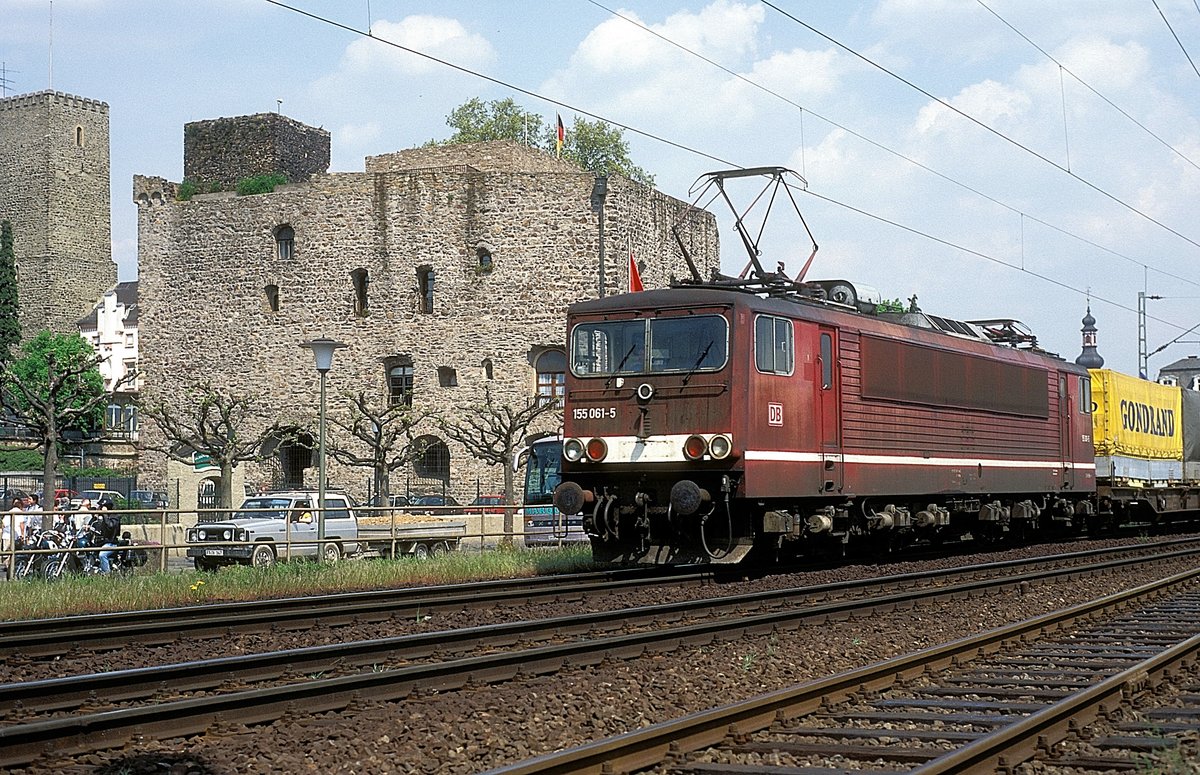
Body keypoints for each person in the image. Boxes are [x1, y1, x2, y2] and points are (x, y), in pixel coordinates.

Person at [93, 500, 122, 574]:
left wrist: (105, 514)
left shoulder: (115, 517)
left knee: (102, 555)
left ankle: (106, 574)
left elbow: (110, 526)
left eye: (101, 506)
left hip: (111, 543)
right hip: (100, 542)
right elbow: (92, 524)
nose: (99, 508)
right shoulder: (100, 517)